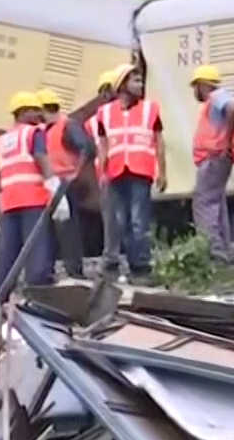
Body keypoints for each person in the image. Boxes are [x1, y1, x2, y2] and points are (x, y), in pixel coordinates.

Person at [94, 64, 165, 284]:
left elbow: (159, 141)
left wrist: (162, 171)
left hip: (140, 170)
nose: (140, 84)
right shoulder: (104, 113)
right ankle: (132, 264)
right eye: (135, 80)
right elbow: (103, 145)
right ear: (122, 84)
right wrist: (103, 172)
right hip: (116, 173)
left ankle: (141, 266)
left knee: (138, 222)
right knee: (121, 221)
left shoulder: (150, 109)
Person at [0, 92, 60, 294]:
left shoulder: (1, 141)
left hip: (10, 203)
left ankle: (0, 296)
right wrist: (57, 191)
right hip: (33, 201)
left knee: (7, 254)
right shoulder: (34, 133)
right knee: (36, 251)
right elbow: (42, 159)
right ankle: (39, 293)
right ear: (22, 112)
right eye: (35, 109)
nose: (39, 114)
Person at [36, 88, 98, 279]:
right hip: (50, 184)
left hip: (63, 184)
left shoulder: (66, 126)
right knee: (49, 230)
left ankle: (74, 271)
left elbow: (87, 148)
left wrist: (74, 173)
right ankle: (48, 270)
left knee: (67, 230)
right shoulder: (46, 130)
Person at [188, 65, 234, 261]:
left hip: (214, 157)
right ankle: (223, 250)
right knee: (216, 203)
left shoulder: (216, 96)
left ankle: (214, 252)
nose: (195, 91)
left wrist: (225, 142)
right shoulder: (214, 101)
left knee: (204, 203)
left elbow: (233, 110)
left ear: (202, 85)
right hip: (218, 157)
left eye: (195, 86)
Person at [84, 69, 123, 271]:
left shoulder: (92, 121)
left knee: (112, 216)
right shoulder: (121, 116)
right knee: (117, 216)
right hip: (119, 171)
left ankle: (112, 255)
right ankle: (115, 255)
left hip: (112, 172)